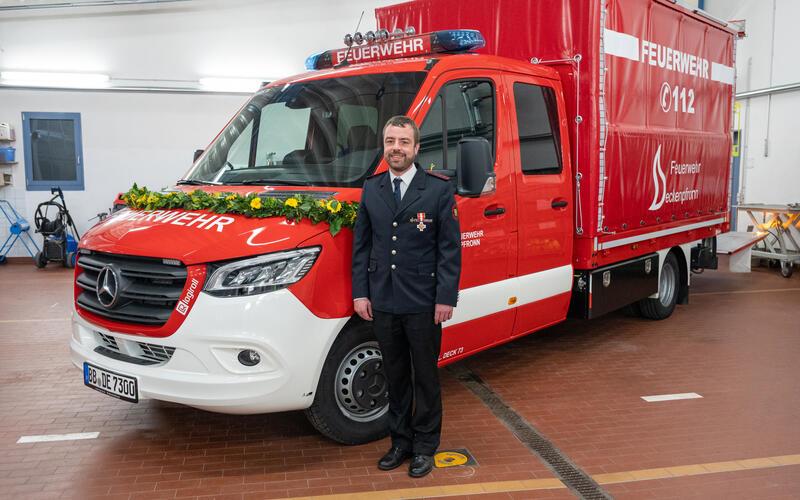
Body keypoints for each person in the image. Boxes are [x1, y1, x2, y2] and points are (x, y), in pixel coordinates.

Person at [351, 115, 461, 478]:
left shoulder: (438, 190)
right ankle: (400, 442)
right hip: (383, 299)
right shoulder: (373, 188)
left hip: (423, 301)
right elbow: (362, 246)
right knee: (395, 375)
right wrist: (360, 293)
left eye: (403, 142)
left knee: (425, 377)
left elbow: (449, 250)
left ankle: (425, 446)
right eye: (390, 141)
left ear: (416, 147)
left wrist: (445, 298)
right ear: (384, 146)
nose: (396, 148)